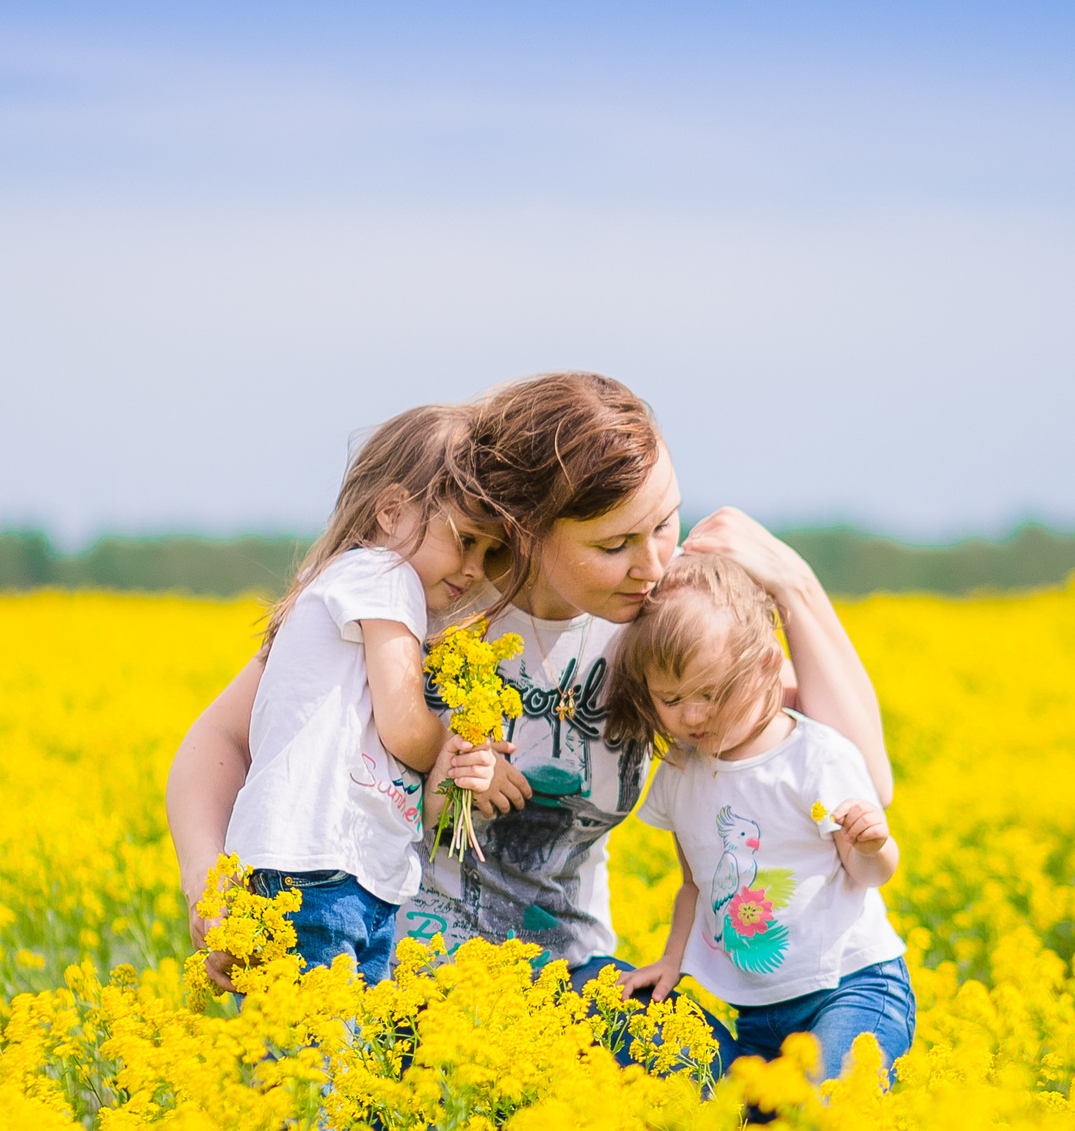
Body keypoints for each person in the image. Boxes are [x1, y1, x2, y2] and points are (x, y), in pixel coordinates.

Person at [168, 370, 893, 994]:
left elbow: (854, 776)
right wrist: (214, 891)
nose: (652, 564)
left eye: (667, 524)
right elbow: (222, 737)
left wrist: (796, 590)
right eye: (615, 544)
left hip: (570, 975)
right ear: (529, 528)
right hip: (403, 967)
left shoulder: (665, 625)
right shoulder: (425, 602)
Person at [193, 404, 509, 987]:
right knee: (316, 1063)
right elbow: (403, 726)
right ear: (391, 512)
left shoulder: (355, 585)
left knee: (329, 1061)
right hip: (317, 871)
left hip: (341, 873)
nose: (473, 569)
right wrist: (454, 740)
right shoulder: (383, 577)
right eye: (464, 540)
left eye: (489, 554)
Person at [601, 554, 912, 1081]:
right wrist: (671, 963)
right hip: (759, 1013)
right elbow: (694, 886)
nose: (693, 715)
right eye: (671, 699)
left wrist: (872, 845)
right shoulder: (680, 773)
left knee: (834, 1112)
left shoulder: (815, 757)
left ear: (768, 663)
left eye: (712, 693)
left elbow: (871, 875)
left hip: (852, 985)